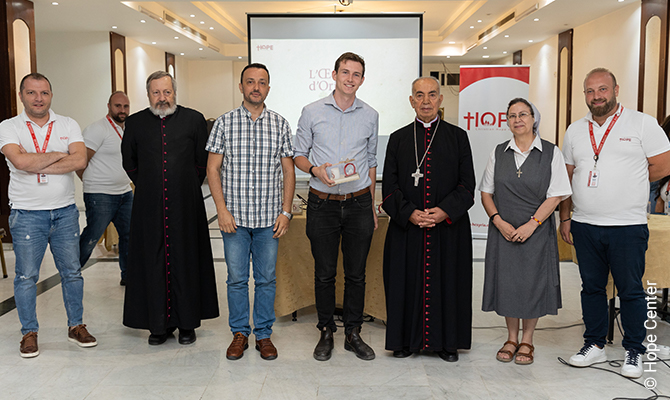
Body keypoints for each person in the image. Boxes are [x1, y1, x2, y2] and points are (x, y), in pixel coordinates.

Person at [560, 68, 670, 378]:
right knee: (592, 288)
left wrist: (628, 181)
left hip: (627, 225)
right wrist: (565, 217)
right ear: (585, 95)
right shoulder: (575, 130)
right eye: (590, 91)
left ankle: (634, 349)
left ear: (616, 90)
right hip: (584, 224)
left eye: (602, 89)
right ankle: (594, 344)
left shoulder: (642, 123)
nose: (596, 96)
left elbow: (663, 164)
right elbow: (567, 176)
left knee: (631, 290)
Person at [0, 72, 97, 358]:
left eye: (43, 93)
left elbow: (79, 159)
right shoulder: (9, 126)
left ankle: (76, 326)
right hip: (27, 214)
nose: (38, 98)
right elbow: (18, 161)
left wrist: (36, 162)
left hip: (65, 212)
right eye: (31, 93)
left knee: (72, 273)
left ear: (51, 95)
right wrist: (58, 154)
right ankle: (29, 332)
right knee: (26, 276)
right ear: (22, 96)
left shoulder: (67, 123)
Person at [381, 76, 475, 362]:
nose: (425, 101)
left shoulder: (458, 137)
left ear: (440, 99)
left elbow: (467, 185)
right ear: (411, 101)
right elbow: (388, 189)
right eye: (419, 95)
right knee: (404, 283)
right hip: (406, 229)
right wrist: (410, 212)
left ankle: (447, 343)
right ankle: (403, 341)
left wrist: (444, 211)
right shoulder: (398, 139)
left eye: (432, 95)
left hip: (448, 229)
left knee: (448, 282)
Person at [121, 71, 219, 345]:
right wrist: (151, 185)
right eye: (156, 93)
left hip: (186, 204)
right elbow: (129, 161)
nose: (162, 98)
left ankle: (187, 324)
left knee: (187, 260)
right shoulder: (136, 122)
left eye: (167, 92)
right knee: (151, 262)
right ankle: (158, 325)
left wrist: (183, 185)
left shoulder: (194, 119)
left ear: (174, 92)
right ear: (148, 94)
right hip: (149, 207)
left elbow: (202, 162)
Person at [207, 63, 295, 361]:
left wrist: (285, 212)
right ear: (241, 86)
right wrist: (221, 209)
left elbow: (288, 171)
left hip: (269, 221)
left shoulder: (280, 124)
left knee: (267, 279)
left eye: (262, 82)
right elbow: (212, 168)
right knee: (236, 279)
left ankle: (264, 335)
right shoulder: (224, 123)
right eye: (250, 82)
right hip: (235, 220)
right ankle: (240, 333)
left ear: (268, 88)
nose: (256, 87)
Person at [294, 52, 379, 361]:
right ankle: (326, 331)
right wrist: (315, 170)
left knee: (357, 274)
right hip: (322, 204)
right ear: (334, 74)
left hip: (358, 203)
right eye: (345, 72)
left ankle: (353, 333)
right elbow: (299, 155)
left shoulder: (370, 115)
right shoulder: (312, 111)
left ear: (362, 80)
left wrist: (371, 205)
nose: (350, 78)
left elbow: (370, 163)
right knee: (324, 273)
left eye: (356, 74)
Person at [480, 98, 571, 365]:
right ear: (507, 121)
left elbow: (555, 196)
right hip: (504, 229)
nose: (517, 119)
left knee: (532, 284)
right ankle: (510, 337)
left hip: (537, 229)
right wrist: (498, 221)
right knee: (508, 284)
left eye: (523, 114)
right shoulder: (498, 152)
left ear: (534, 118)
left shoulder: (552, 153)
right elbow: (486, 193)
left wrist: (533, 224)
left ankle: (527, 339)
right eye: (511, 116)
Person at [77, 91, 133, 285]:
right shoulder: (97, 129)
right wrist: (93, 183)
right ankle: (72, 273)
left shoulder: (128, 129)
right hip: (100, 194)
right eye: (118, 106)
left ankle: (127, 275)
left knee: (128, 235)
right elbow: (80, 161)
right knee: (92, 235)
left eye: (125, 106)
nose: (122, 110)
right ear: (109, 106)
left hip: (124, 192)